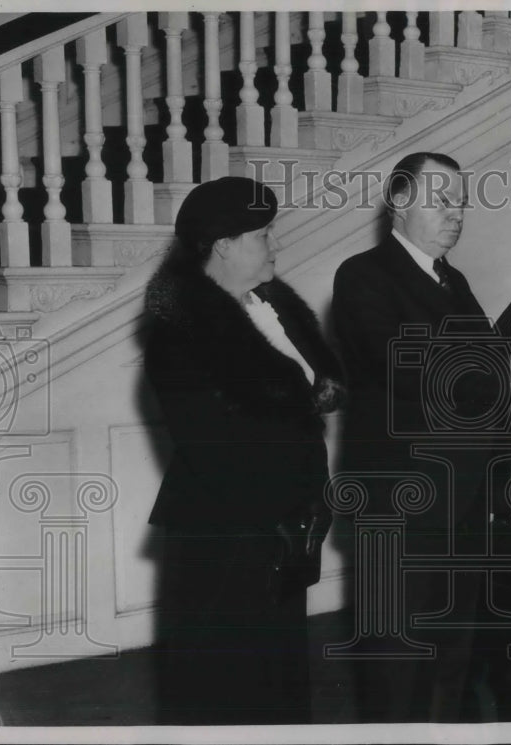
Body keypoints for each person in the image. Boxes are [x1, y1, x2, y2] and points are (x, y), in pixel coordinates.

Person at [331, 152, 511, 722]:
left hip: (461, 505)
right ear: (399, 204)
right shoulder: (363, 275)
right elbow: (403, 364)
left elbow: (469, 370)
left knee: (449, 659)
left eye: (460, 202)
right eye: (440, 201)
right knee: (397, 661)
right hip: (399, 509)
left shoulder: (452, 280)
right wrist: (506, 370)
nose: (455, 214)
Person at [143, 176, 345, 724]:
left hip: (281, 532)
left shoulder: (269, 305)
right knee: (226, 686)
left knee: (276, 678)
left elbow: (304, 395)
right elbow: (211, 445)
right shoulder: (179, 324)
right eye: (262, 235)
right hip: (227, 535)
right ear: (224, 245)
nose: (273, 245)